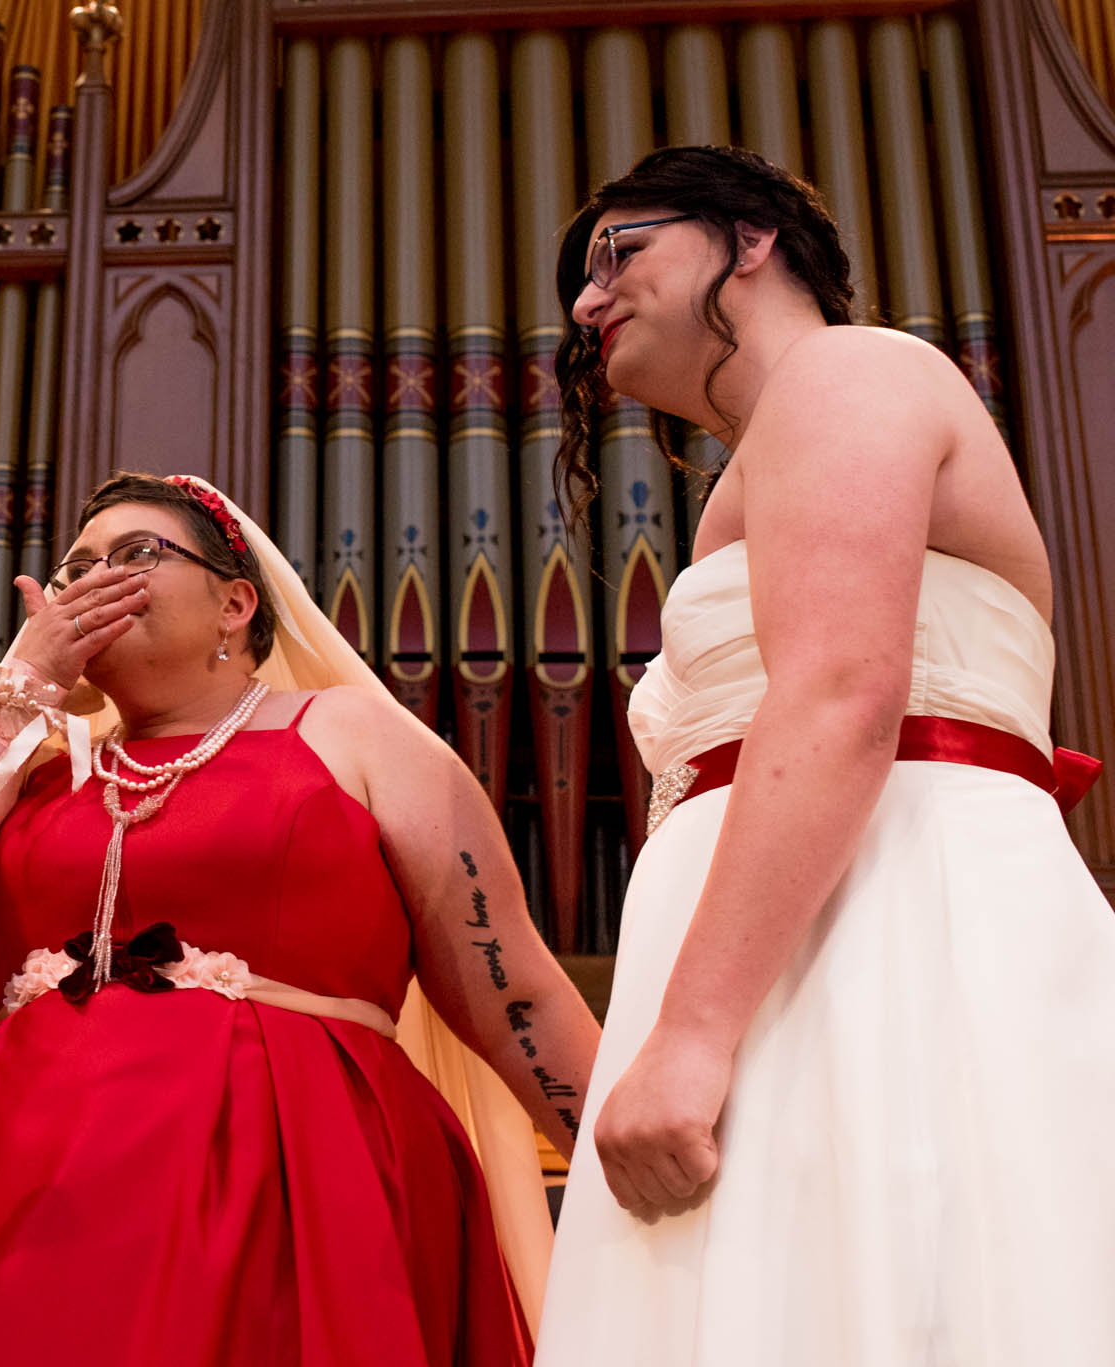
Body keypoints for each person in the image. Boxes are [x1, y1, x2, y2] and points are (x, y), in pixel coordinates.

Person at [0, 471, 601, 1366]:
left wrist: (643, 1173)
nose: (93, 581)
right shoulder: (32, 771)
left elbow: (513, 990)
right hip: (1, 1200)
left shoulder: (355, 737)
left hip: (298, 1188)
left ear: (235, 604)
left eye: (135, 555)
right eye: (75, 567)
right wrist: (22, 685)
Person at [534, 145, 1115, 1365]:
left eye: (618, 252)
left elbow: (845, 689)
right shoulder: (745, 481)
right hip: (787, 932)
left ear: (748, 239)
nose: (586, 302)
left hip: (880, 915)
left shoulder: (852, 369)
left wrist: (690, 1035)